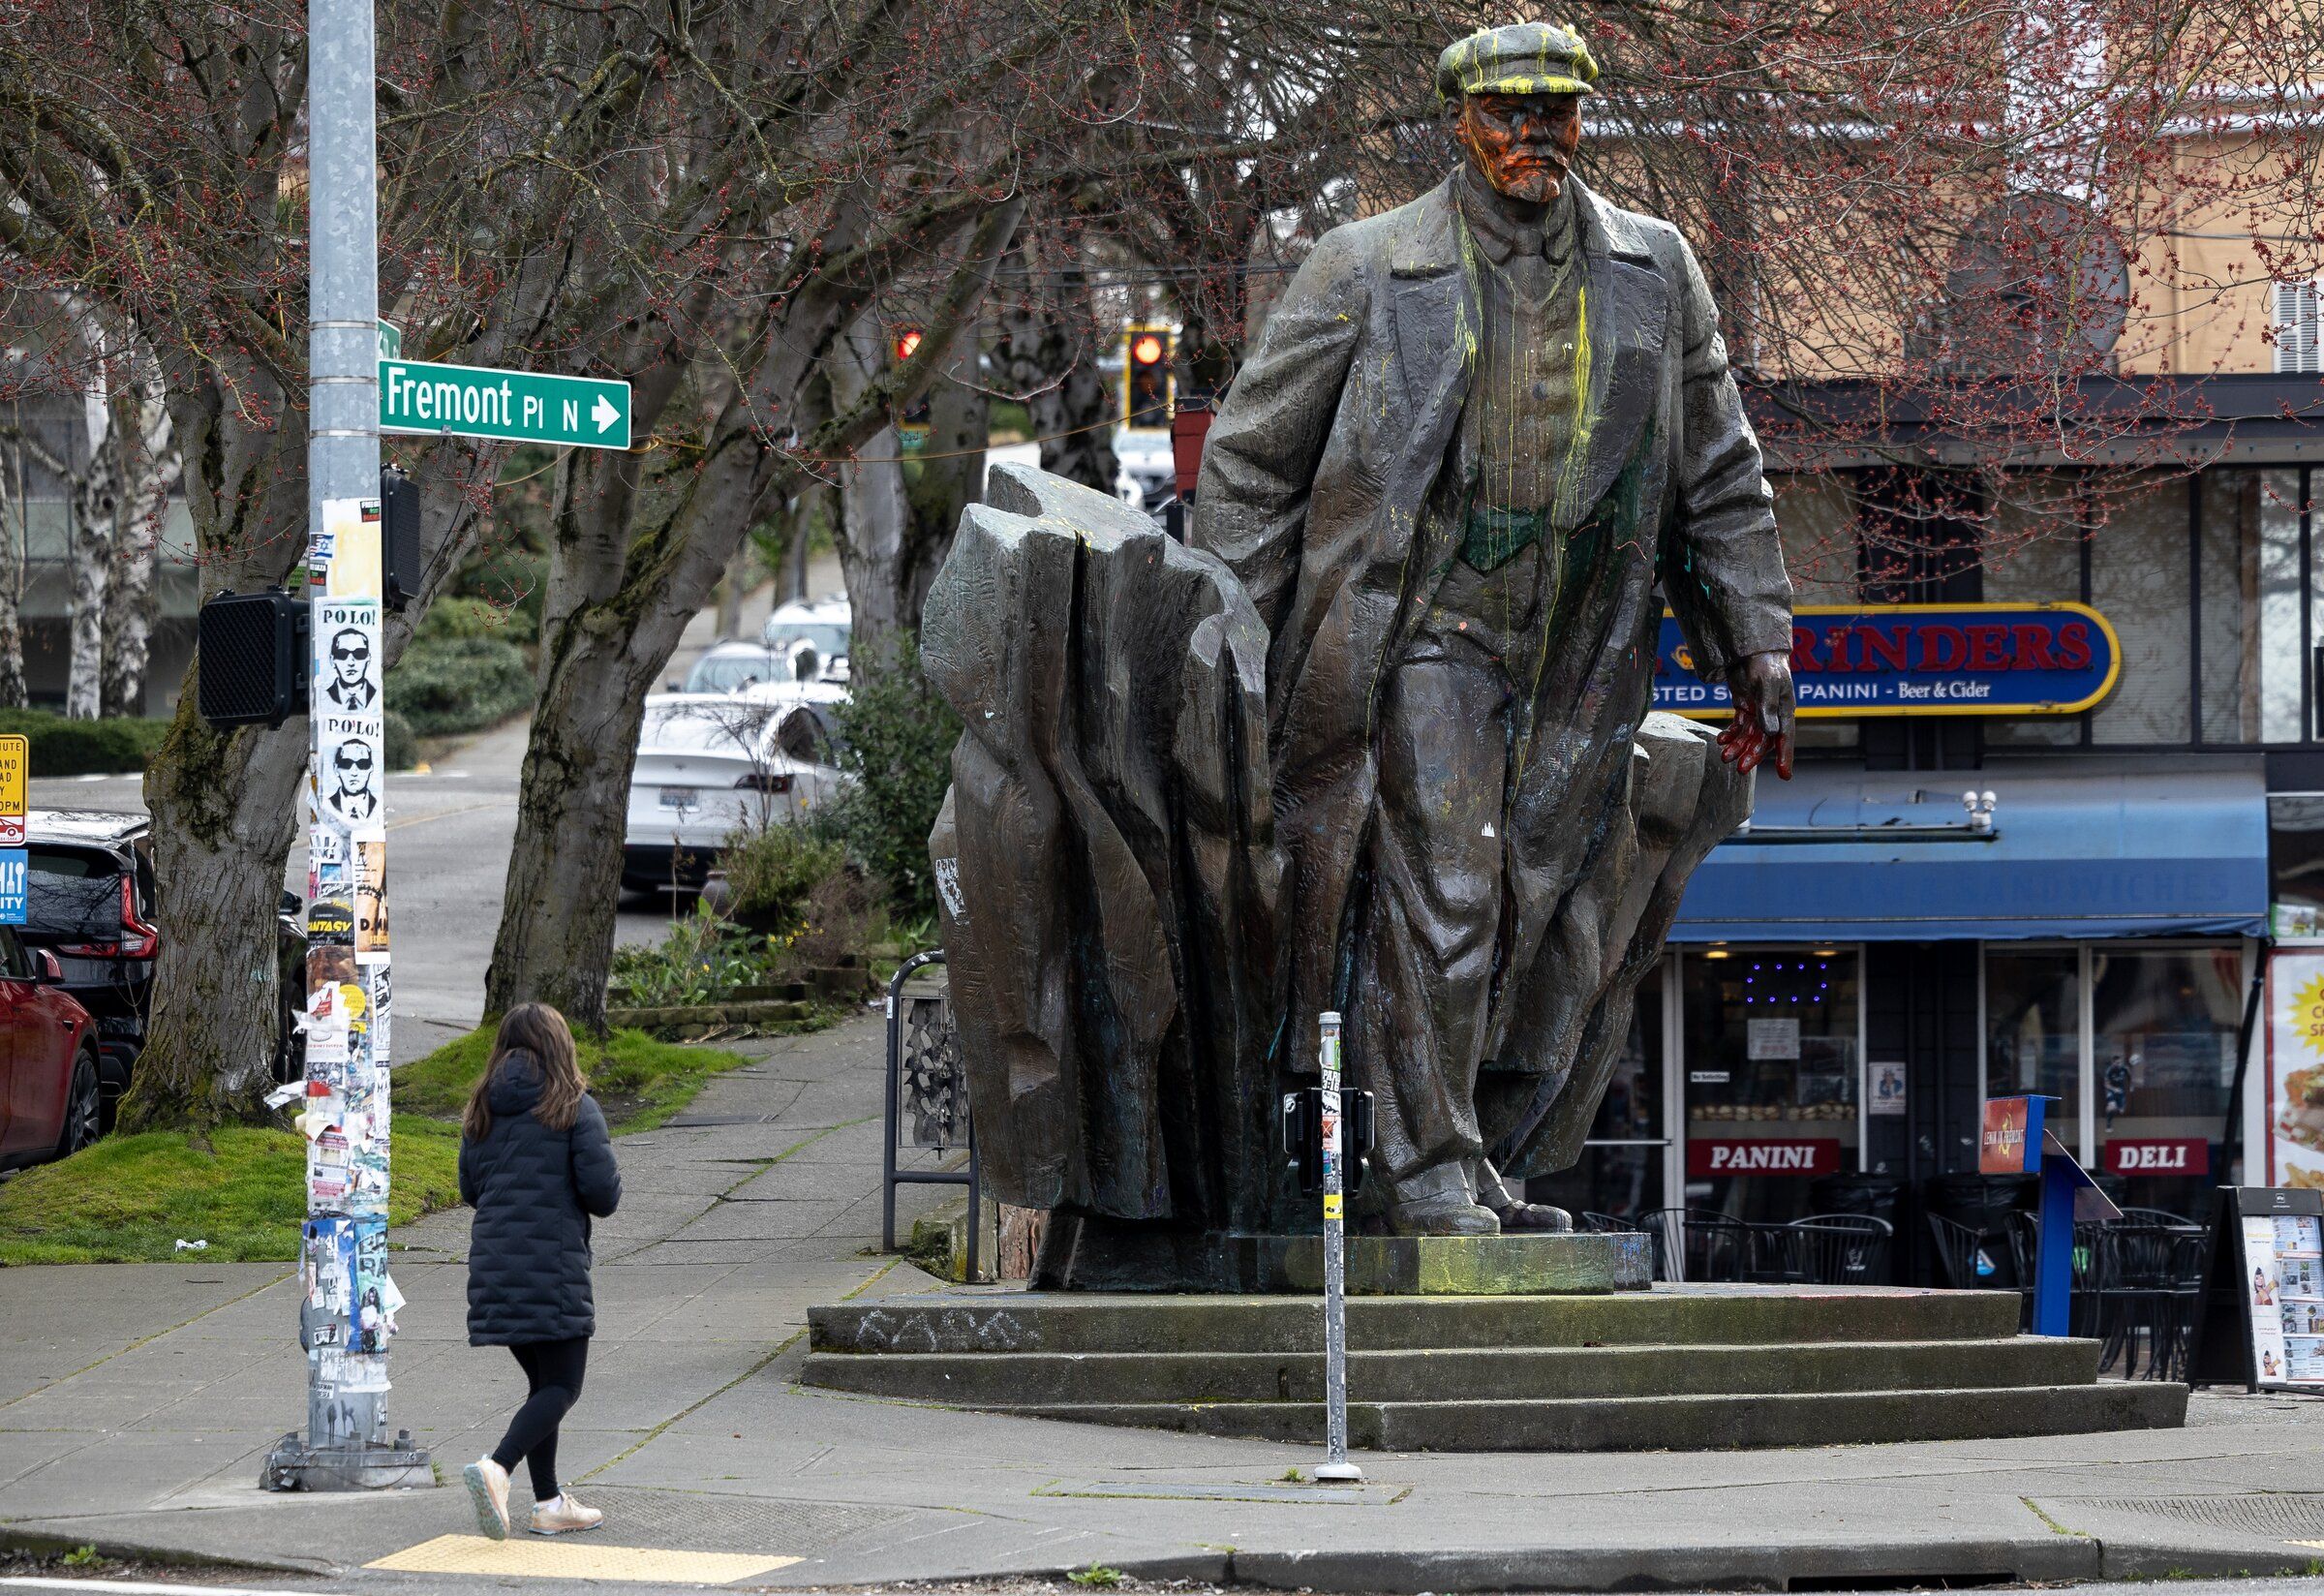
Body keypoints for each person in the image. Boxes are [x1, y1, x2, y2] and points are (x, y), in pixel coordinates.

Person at [1191, 20, 1792, 1232]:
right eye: (1509, 110)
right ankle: (1422, 1172)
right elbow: (1253, 465)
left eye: (1556, 110)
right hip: (1422, 623)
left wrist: (1757, 634)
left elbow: (1719, 468)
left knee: (1529, 896)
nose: (1534, 133)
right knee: (1451, 886)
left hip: (1580, 640)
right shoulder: (1364, 267)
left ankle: (1459, 1153)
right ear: (1457, 120)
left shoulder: (1656, 266)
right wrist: (1230, 645)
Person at [458, 1002, 622, 1539]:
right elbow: (602, 1196)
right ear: (560, 1047)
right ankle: (498, 1468)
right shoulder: (574, 1106)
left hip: (494, 1267)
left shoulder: (482, 1108)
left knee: (543, 1387)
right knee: (563, 1386)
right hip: (550, 1269)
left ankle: (550, 1503)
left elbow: (470, 1190)